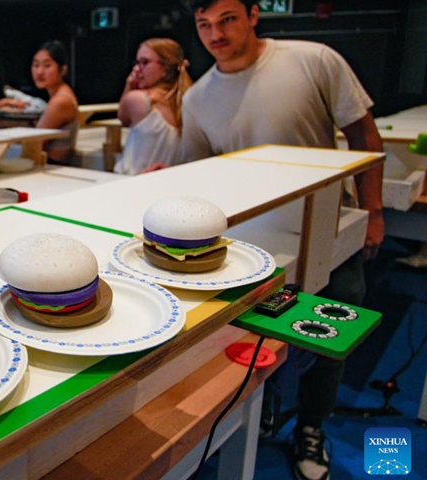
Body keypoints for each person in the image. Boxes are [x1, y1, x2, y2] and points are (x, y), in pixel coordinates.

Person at [181, 1, 384, 479]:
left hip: (329, 226)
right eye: (204, 25)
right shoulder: (198, 97)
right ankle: (267, 405)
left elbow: (363, 134)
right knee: (261, 335)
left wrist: (373, 211)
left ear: (254, 14)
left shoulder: (312, 59)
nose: (216, 34)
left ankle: (312, 427)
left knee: (332, 332)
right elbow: (197, 172)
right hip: (253, 242)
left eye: (227, 19)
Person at [115, 38, 193, 175]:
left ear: (166, 69)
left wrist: (129, 85)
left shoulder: (138, 100)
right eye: (137, 63)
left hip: (131, 184)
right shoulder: (188, 102)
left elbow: (123, 118)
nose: (136, 69)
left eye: (145, 63)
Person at [31, 40, 79, 165]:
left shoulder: (60, 101)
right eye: (36, 65)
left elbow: (36, 144)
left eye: (47, 66)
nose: (39, 72)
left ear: (63, 70)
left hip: (53, 166)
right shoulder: (61, 94)